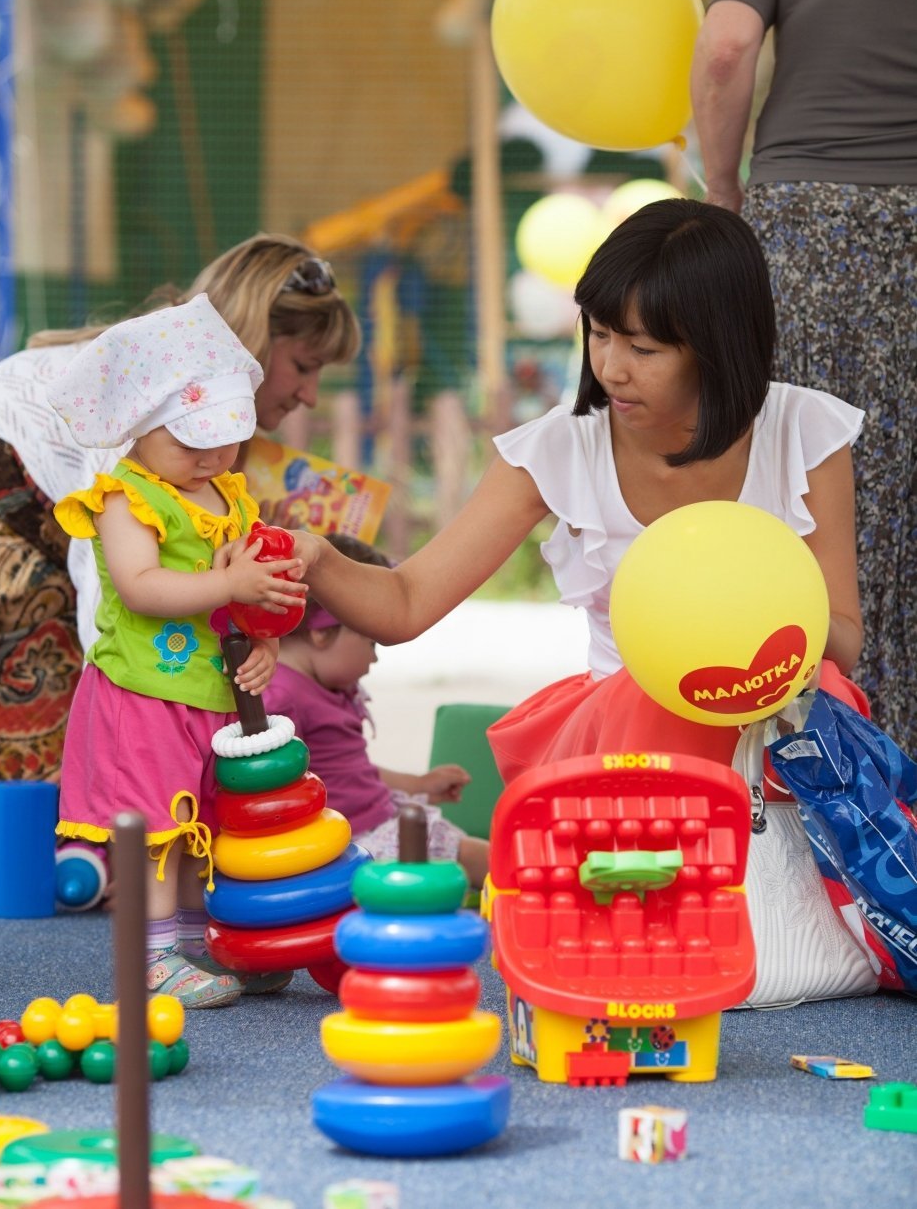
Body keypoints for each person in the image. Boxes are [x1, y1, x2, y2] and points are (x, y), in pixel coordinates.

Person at [282, 199, 869, 786]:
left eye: (643, 349)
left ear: (718, 346)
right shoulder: (560, 449)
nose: (612, 368)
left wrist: (748, 621)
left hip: (783, 750)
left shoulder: (803, 432)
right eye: (600, 333)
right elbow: (406, 601)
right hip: (632, 751)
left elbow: (842, 638)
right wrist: (317, 558)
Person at [0, 233, 359, 890]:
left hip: (37, 516)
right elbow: (118, 589)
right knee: (77, 739)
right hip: (0, 501)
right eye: (303, 365)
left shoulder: (198, 436)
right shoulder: (159, 407)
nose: (310, 395)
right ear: (250, 345)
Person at [689, 0, 917, 750]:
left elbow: (727, 45)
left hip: (804, 217)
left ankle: (815, 751)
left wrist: (725, 189)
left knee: (803, 478)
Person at [48, 294, 304, 1008]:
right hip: (144, 696)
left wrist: (263, 641)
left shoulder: (228, 491)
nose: (214, 454)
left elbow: (252, 595)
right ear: (141, 425)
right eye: (192, 440)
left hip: (211, 695)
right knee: (159, 831)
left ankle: (199, 943)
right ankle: (155, 957)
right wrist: (228, 579)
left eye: (225, 438)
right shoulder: (128, 498)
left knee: (200, 826)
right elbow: (140, 588)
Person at [265, 534, 490, 890]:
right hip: (353, 843)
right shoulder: (281, 695)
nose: (375, 657)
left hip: (376, 821)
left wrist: (418, 784)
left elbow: (350, 771)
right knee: (475, 857)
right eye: (370, 641)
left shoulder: (327, 686)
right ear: (322, 634)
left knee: (468, 856)